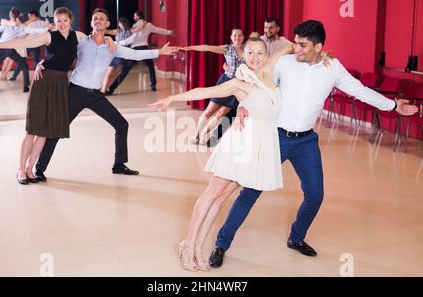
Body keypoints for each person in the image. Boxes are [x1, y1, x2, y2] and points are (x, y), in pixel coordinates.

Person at [208, 20, 419, 268]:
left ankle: (296, 238)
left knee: (315, 195)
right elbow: (259, 84)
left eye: (302, 45)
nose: (295, 48)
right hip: (276, 137)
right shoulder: (284, 63)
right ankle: (221, 244)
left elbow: (360, 90)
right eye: (295, 43)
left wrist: (394, 105)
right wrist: (243, 105)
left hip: (306, 140)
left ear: (318, 47)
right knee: (251, 191)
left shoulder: (333, 68)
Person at [149, 38, 294, 272]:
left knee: (221, 197)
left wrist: (303, 48)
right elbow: (205, 91)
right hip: (241, 144)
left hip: (257, 147)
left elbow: (287, 48)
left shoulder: (267, 72)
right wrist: (172, 98)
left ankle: (198, 247)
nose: (255, 58)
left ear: (266, 55)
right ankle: (188, 244)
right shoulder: (240, 82)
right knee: (212, 194)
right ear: (243, 54)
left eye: (260, 53)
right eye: (250, 53)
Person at [32, 8, 178, 182]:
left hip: (96, 95)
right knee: (56, 130)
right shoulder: (81, 42)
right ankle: (39, 169)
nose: (98, 20)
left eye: (102, 18)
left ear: (107, 24)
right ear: (92, 23)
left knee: (121, 125)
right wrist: (41, 63)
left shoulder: (112, 46)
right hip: (75, 92)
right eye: (95, 18)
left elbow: (135, 54)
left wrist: (160, 52)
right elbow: (59, 52)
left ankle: (119, 165)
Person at [0, 7, 111, 185]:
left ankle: (31, 168)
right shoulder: (48, 36)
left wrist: (109, 38)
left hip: (60, 84)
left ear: (71, 21)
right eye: (58, 21)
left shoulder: (77, 36)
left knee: (44, 132)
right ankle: (21, 169)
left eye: (65, 20)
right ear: (54, 22)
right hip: (43, 81)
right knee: (33, 129)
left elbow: (97, 37)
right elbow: (22, 42)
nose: (61, 24)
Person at [181, 28, 245, 145]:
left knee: (222, 113)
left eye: (240, 35)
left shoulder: (247, 50)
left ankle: (204, 134)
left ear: (243, 37)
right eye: (235, 35)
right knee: (209, 110)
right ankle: (196, 134)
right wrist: (190, 48)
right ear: (231, 37)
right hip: (225, 82)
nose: (237, 38)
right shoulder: (227, 48)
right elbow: (207, 47)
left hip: (237, 87)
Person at [105, 10, 175, 94]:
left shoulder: (135, 26)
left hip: (135, 50)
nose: (134, 17)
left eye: (135, 16)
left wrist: (119, 43)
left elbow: (132, 39)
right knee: (151, 67)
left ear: (138, 17)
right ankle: (153, 86)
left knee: (125, 70)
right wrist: (170, 32)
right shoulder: (148, 25)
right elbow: (158, 30)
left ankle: (111, 89)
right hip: (144, 48)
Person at [9, 9, 50, 81]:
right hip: (35, 44)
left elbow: (23, 32)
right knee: (35, 61)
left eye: (29, 16)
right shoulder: (43, 23)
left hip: (30, 44)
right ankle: (39, 77)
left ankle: (14, 77)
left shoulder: (30, 24)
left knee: (23, 60)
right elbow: (48, 28)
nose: (28, 17)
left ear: (33, 15)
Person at [101, 17, 133, 93]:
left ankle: (104, 89)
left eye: (120, 23)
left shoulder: (129, 31)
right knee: (111, 73)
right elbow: (108, 31)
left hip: (122, 54)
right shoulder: (119, 31)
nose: (120, 24)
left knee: (113, 73)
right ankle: (104, 89)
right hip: (118, 53)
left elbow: (108, 32)